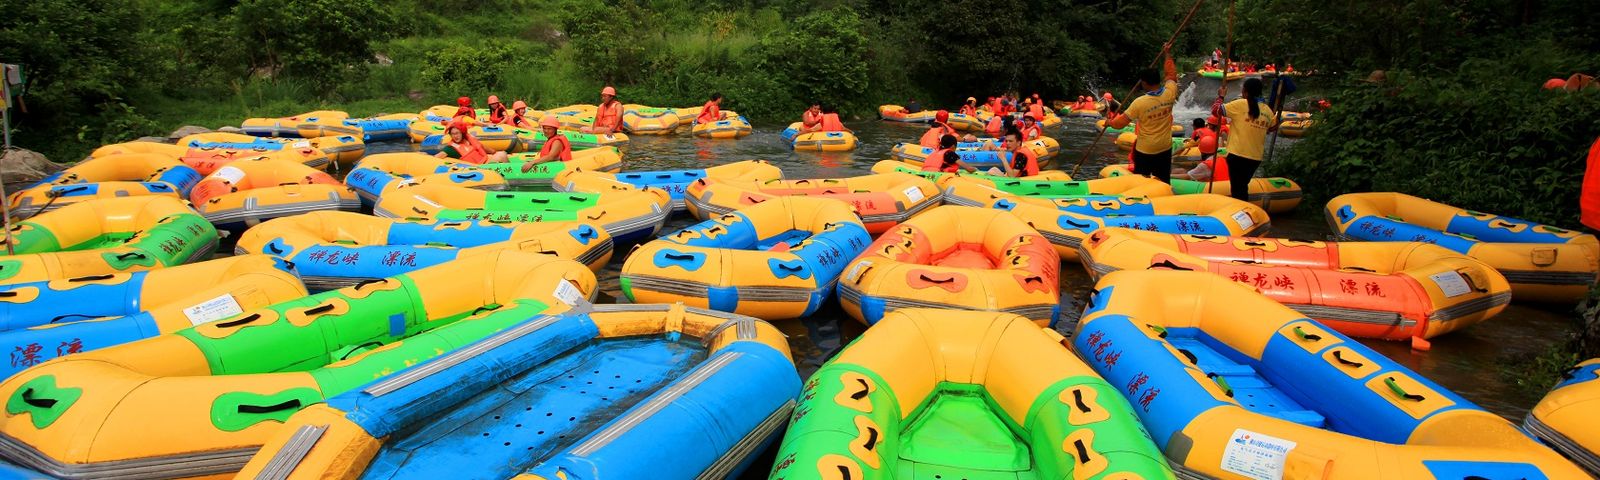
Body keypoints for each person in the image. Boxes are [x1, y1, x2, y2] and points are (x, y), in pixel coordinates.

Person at [1106, 53, 1178, 183]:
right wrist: (1167, 54)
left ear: (1144, 83)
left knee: (1141, 181)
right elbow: (1171, 74)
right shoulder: (1170, 92)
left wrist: (1109, 122)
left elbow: (1120, 124)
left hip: (1145, 149)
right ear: (1159, 79)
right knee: (1163, 180)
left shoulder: (1139, 103)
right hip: (1165, 147)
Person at [1215, 77, 1276, 202]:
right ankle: (1242, 208)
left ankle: (1241, 210)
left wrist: (1221, 96)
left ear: (1245, 92)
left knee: (1238, 189)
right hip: (1255, 157)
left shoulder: (1240, 104)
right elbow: (1272, 128)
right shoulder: (1267, 110)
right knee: (1241, 187)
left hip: (1237, 154)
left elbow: (1216, 110)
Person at [436, 119, 507, 165]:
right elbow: (436, 158)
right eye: (453, 134)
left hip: (483, 160)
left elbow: (483, 148)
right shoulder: (450, 149)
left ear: (462, 133)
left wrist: (494, 152)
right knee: (502, 155)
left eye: (457, 133)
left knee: (502, 153)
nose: (455, 136)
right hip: (478, 167)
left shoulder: (469, 139)